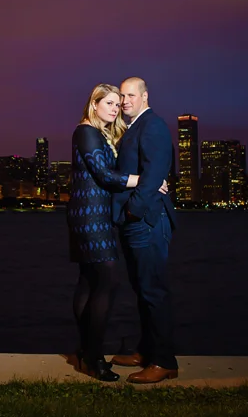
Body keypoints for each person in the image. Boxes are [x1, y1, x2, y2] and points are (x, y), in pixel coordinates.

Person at [67, 82, 167, 382]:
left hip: (97, 215)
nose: (115, 107)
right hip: (89, 216)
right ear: (94, 105)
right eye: (109, 103)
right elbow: (103, 174)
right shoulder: (85, 131)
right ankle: (94, 357)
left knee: (89, 282)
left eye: (118, 102)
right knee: (108, 280)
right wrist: (145, 180)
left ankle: (86, 352)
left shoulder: (100, 134)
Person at [109, 76, 180, 384]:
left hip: (147, 221)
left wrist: (132, 210)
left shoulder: (152, 125)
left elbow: (155, 175)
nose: (125, 100)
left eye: (130, 95)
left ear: (145, 96)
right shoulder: (134, 127)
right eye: (121, 95)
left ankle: (164, 361)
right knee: (142, 290)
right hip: (137, 222)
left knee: (153, 292)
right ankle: (147, 350)